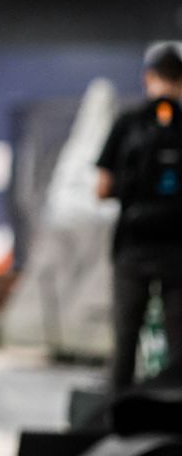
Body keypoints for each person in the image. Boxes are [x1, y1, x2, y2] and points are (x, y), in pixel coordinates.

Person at [96, 42, 182, 393]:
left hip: (132, 246)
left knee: (125, 340)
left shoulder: (128, 122)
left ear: (149, 77)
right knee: (180, 345)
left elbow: (102, 188)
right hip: (178, 248)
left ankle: (117, 427)